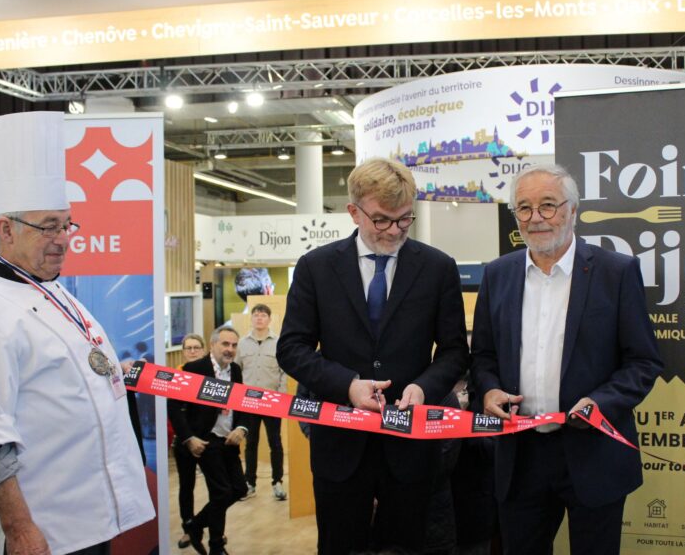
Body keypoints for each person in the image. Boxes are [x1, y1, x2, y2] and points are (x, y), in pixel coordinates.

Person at [0, 111, 154, 554]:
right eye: (47, 227)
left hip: (87, 520)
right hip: (43, 530)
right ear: (6, 229)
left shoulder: (50, 288)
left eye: (66, 224)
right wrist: (20, 529)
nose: (62, 239)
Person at [277, 157, 469, 555]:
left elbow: (454, 351)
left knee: (406, 547)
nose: (394, 230)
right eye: (382, 220)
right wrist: (347, 385)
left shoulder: (438, 268)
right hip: (340, 446)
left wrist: (424, 387)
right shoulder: (316, 267)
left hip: (411, 447)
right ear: (354, 212)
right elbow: (292, 349)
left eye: (405, 219)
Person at [470, 164, 664, 555]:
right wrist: (489, 391)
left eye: (548, 205)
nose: (535, 218)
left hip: (594, 453)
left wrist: (600, 403)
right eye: (524, 208)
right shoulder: (498, 275)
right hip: (520, 455)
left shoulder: (616, 272)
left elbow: (643, 362)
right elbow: (484, 357)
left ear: (573, 210)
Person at [168, 327, 249, 555]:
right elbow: (173, 405)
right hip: (205, 440)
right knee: (221, 492)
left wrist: (242, 428)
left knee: (239, 489)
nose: (230, 349)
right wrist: (188, 438)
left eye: (234, 345)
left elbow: (242, 403)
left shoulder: (235, 370)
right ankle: (216, 546)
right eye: (225, 344)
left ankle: (195, 526)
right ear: (212, 345)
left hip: (228, 440)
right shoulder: (194, 369)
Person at [235, 303, 287, 501]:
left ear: (269, 319)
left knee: (276, 443)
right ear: (251, 318)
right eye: (256, 315)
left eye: (263, 315)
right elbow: (237, 370)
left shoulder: (279, 343)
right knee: (251, 443)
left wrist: (280, 397)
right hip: (248, 402)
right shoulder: (242, 343)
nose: (259, 318)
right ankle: (250, 483)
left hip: (272, 402)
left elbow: (284, 372)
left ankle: (277, 482)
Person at [174, 334, 207, 550]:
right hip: (185, 441)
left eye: (196, 347)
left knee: (217, 489)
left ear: (203, 350)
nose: (193, 351)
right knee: (186, 487)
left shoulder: (212, 375)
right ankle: (188, 529)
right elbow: (174, 411)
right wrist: (186, 437)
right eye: (189, 348)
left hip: (208, 441)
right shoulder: (177, 375)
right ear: (183, 351)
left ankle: (215, 531)